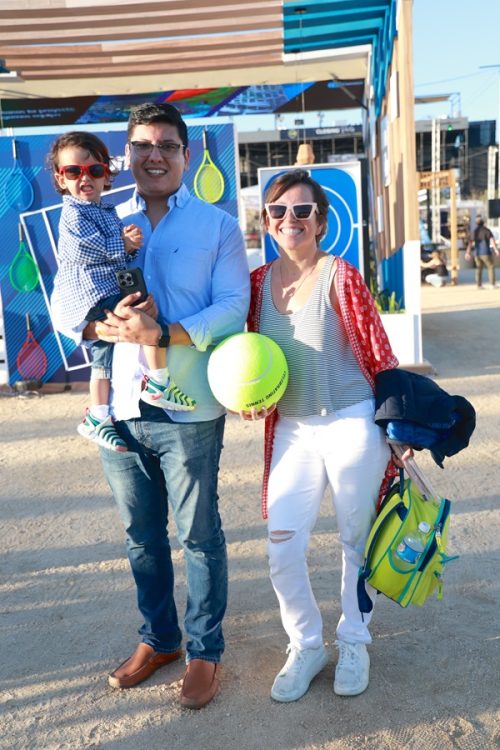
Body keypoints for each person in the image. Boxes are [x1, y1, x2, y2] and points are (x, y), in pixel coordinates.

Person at [51, 104, 250, 708]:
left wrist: (164, 334)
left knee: (199, 536)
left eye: (167, 144)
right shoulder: (99, 220)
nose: (154, 155)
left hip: (189, 406)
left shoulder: (217, 225)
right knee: (141, 536)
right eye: (142, 145)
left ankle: (204, 650)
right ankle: (159, 638)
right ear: (127, 156)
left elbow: (233, 306)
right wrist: (98, 328)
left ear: (186, 155)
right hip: (121, 409)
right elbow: (63, 301)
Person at [243, 169, 400, 703]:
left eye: (302, 210)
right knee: (282, 546)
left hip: (352, 421)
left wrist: (396, 427)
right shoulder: (257, 284)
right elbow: (250, 362)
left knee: (356, 542)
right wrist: (249, 399)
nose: (290, 219)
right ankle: (306, 644)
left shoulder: (342, 276)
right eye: (278, 210)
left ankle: (354, 640)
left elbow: (380, 355)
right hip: (292, 427)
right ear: (267, 221)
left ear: (321, 222)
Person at [50, 131, 196, 453]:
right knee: (146, 318)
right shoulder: (73, 213)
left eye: (94, 170)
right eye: (73, 171)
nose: (85, 178)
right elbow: (84, 250)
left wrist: (128, 241)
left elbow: (118, 254)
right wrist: (123, 242)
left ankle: (98, 414)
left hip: (100, 292)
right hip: (92, 294)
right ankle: (159, 381)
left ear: (106, 175)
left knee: (102, 357)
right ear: (61, 179)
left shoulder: (104, 210)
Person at [465, 216, 499, 289]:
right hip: (486, 252)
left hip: (477, 253)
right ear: (484, 223)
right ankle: (492, 284)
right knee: (490, 266)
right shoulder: (487, 230)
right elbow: (492, 241)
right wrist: (496, 250)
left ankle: (479, 284)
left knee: (479, 268)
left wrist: (468, 252)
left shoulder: (475, 231)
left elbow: (470, 243)